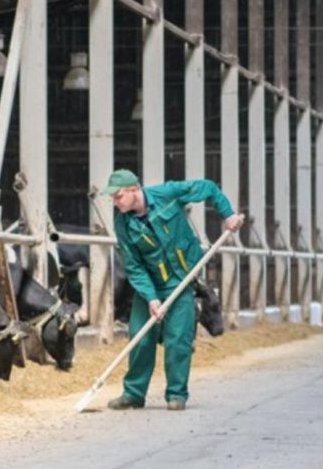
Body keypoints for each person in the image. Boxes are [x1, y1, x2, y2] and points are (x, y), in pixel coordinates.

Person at [100, 169, 244, 412]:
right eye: (112, 197)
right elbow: (134, 265)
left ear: (135, 189)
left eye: (118, 195)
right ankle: (134, 394)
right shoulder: (121, 222)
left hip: (181, 277)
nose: (115, 201)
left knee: (178, 338)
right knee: (139, 335)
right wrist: (151, 298)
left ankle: (176, 394)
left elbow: (208, 187)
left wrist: (228, 215)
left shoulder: (167, 194)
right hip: (151, 284)